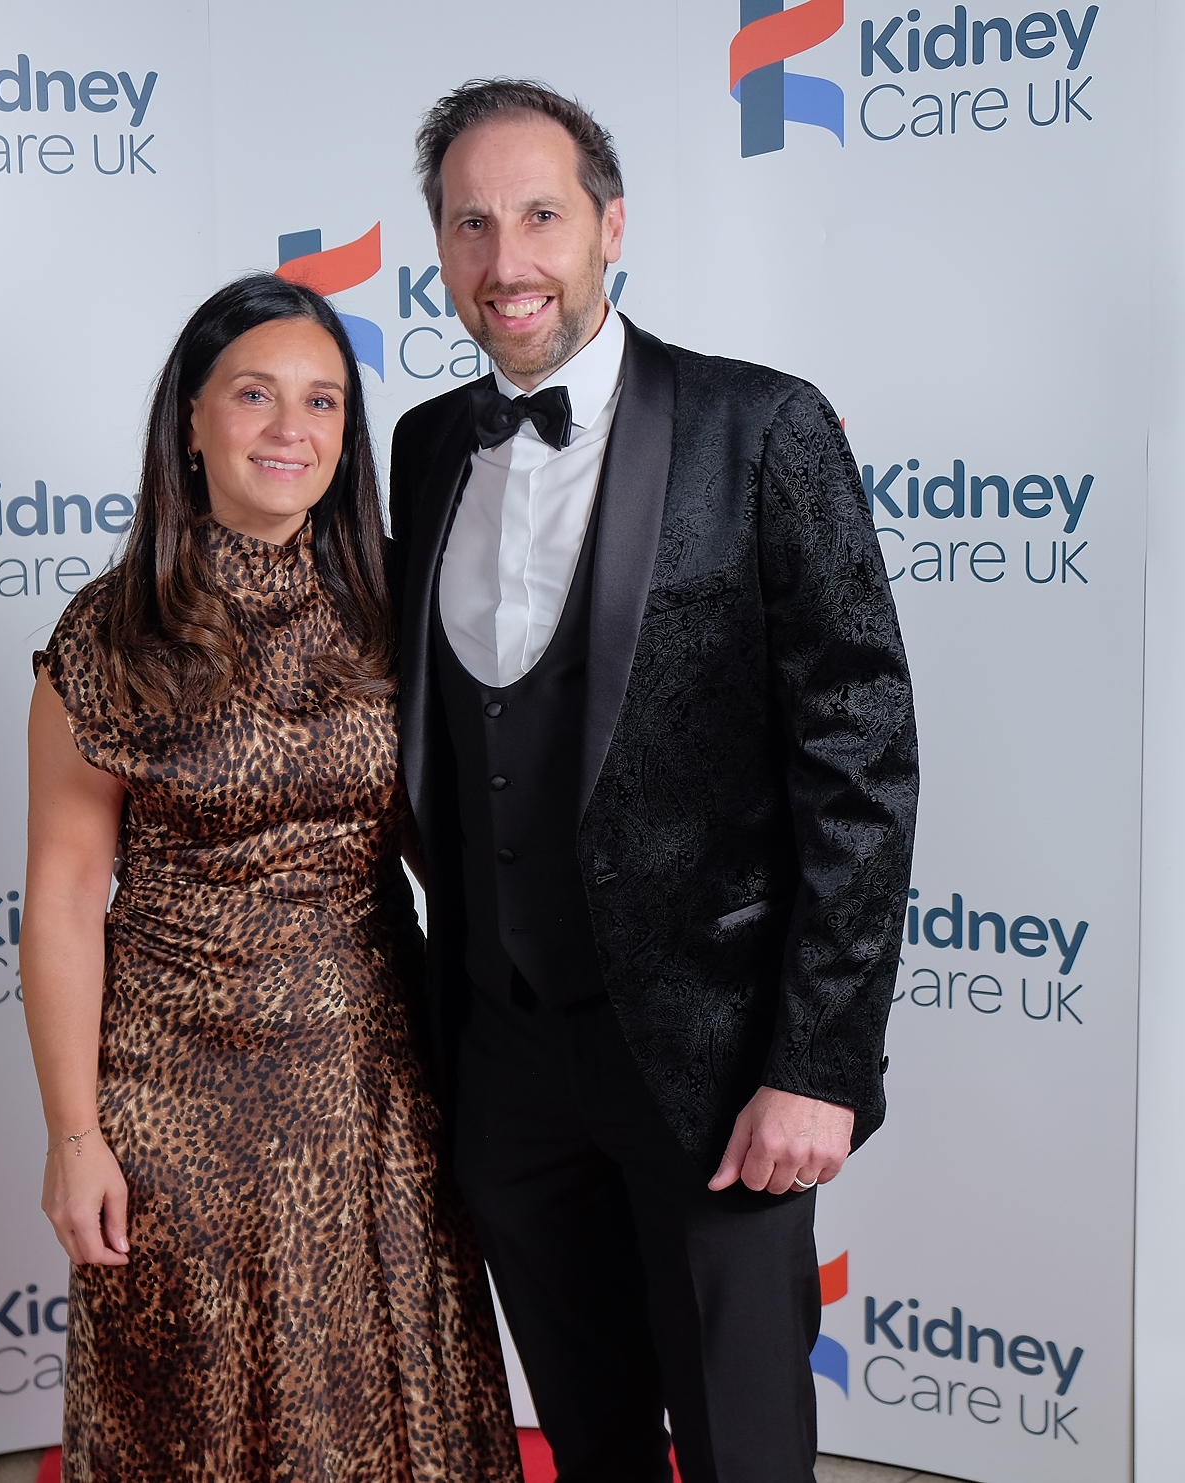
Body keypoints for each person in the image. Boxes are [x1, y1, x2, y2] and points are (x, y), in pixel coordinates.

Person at [387, 81, 920, 1483]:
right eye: (473, 224)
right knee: (590, 1434)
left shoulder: (765, 428)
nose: (509, 262)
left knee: (745, 1448)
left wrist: (818, 1061)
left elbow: (860, 761)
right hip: (503, 1056)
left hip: (717, 1060)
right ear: (439, 248)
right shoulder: (425, 446)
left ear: (612, 225)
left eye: (543, 216)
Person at [21, 274, 522, 1483]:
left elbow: (460, 842)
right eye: (255, 395)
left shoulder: (401, 602)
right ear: (191, 419)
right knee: (198, 1416)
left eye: (322, 402)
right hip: (177, 1097)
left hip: (374, 1084)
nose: (290, 430)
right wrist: (74, 1137)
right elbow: (61, 897)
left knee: (396, 1413)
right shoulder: (106, 634)